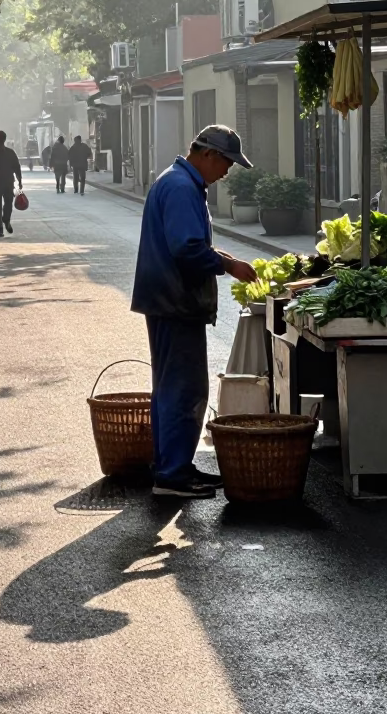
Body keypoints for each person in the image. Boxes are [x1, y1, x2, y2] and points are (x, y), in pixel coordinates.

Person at [131, 125, 258, 500]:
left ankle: (174, 465)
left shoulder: (179, 182)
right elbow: (186, 248)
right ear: (207, 154)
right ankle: (172, 474)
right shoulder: (182, 187)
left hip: (168, 299)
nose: (227, 172)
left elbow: (189, 244)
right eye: (226, 163)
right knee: (182, 388)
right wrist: (227, 266)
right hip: (174, 301)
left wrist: (224, 258)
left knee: (174, 386)